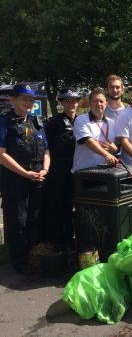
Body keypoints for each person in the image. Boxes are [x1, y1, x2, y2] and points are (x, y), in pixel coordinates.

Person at [0, 84, 50, 275]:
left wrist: (45, 169)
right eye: (23, 99)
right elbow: (2, 154)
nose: (28, 103)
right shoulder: (5, 122)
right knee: (17, 223)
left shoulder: (36, 121)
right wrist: (25, 173)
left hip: (37, 179)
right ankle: (19, 263)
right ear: (13, 100)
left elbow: (46, 150)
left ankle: (32, 257)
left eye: (30, 100)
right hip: (15, 181)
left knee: (34, 220)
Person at [43, 87, 80, 249]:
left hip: (77, 169)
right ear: (62, 103)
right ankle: (59, 242)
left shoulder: (81, 120)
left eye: (74, 101)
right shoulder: (54, 122)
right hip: (58, 170)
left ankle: (73, 239)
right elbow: (45, 147)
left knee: (77, 207)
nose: (71, 104)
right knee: (59, 207)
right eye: (67, 101)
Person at [72, 87, 119, 172]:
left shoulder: (112, 123)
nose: (98, 104)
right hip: (84, 172)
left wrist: (115, 150)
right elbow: (88, 141)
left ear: (106, 104)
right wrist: (107, 155)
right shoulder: (81, 120)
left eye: (101, 101)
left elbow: (115, 147)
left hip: (106, 172)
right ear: (90, 103)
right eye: (95, 101)